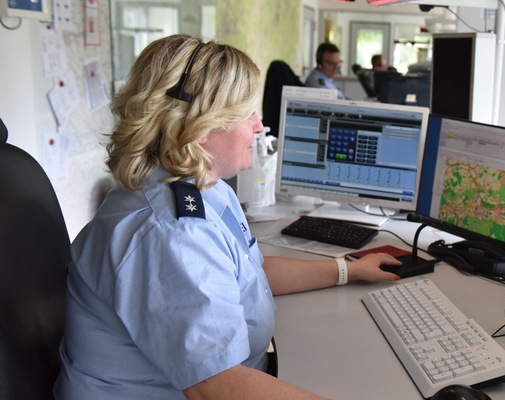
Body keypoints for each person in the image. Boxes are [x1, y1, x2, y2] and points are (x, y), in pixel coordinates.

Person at [54, 34, 402, 400]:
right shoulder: (170, 233)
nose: (259, 125)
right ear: (200, 128)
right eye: (246, 114)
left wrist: (346, 269)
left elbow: (248, 274)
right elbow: (217, 386)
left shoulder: (201, 185)